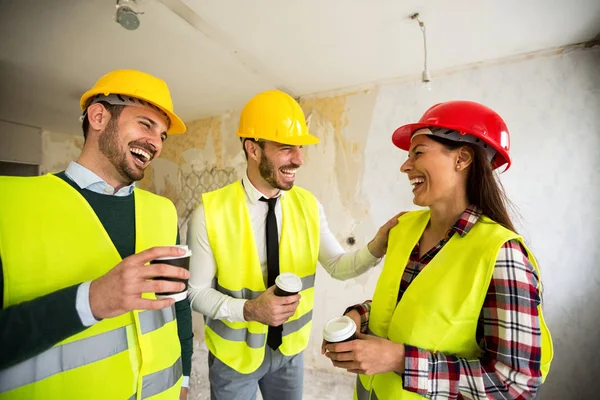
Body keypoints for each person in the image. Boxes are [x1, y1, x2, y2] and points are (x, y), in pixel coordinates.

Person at [324, 100, 554, 399]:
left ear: (462, 159)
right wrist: (358, 316)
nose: (405, 166)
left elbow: (513, 384)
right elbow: (403, 302)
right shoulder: (404, 227)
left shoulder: (502, 254)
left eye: (417, 153)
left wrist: (398, 360)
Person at [186, 89, 399, 400]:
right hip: (234, 359)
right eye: (287, 148)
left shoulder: (308, 205)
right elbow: (196, 292)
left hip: (289, 352)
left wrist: (377, 246)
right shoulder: (209, 212)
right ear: (253, 149)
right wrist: (250, 310)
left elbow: (338, 267)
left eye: (300, 148)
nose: (298, 159)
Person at [0, 69, 194, 399]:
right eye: (145, 124)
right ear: (99, 116)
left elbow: (178, 307)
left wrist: (185, 378)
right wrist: (90, 301)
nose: (156, 143)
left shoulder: (163, 211)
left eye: (162, 135)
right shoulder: (9, 203)